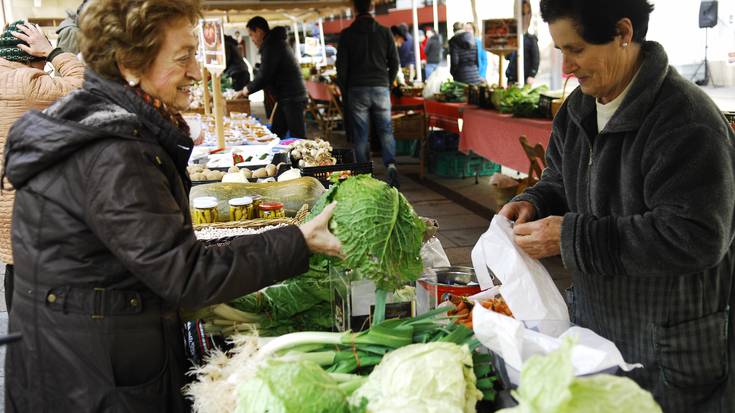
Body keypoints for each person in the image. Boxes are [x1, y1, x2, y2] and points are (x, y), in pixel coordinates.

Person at [3, 0, 341, 411]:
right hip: (94, 379)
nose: (197, 71)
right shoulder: (114, 154)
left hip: (82, 357)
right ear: (129, 63)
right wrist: (298, 241)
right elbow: (185, 272)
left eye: (195, 54)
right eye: (184, 57)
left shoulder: (102, 122)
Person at [499, 0, 734, 410]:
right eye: (561, 51)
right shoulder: (578, 109)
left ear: (624, 33)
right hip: (597, 329)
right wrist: (534, 201)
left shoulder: (687, 121)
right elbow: (559, 177)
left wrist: (570, 237)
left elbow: (696, 237)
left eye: (577, 50)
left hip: (668, 343)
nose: (568, 67)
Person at [0, 20, 84, 311]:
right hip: (30, 202)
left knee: (13, 263)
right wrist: (53, 51)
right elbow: (84, 87)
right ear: (30, 58)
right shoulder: (27, 82)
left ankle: (21, 346)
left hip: (4, 198)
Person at [337, 0, 400, 188]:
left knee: (361, 134)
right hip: (380, 87)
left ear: (354, 8)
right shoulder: (384, 32)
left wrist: (345, 91)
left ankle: (365, 174)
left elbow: (341, 69)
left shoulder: (347, 34)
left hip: (356, 90)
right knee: (386, 130)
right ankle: (391, 165)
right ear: (371, 7)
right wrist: (386, 84)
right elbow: (395, 63)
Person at [236, 17, 307, 138]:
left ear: (259, 31)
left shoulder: (272, 45)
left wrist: (246, 90)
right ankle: (279, 155)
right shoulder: (273, 43)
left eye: (251, 35)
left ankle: (303, 156)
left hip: (292, 96)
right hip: (286, 97)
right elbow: (265, 73)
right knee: (276, 133)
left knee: (297, 136)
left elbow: (264, 75)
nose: (252, 39)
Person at [506, 0, 540, 85]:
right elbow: (507, 57)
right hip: (512, 78)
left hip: (525, 79)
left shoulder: (531, 39)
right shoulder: (512, 38)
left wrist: (532, 74)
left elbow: (536, 59)